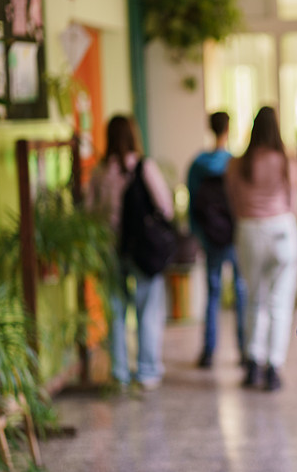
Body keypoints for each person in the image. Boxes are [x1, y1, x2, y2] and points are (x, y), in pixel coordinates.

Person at [86, 115, 174, 390]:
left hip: (110, 249)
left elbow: (88, 213)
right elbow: (166, 207)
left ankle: (120, 371)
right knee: (148, 309)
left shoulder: (100, 172)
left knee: (115, 311)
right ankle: (147, 371)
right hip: (142, 249)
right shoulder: (144, 167)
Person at [226, 106, 297, 391]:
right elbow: (294, 200)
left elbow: (233, 201)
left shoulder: (239, 162)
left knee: (255, 298)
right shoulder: (285, 159)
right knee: (279, 302)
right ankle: (273, 367)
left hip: (249, 230)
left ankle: (253, 363)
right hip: (281, 228)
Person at [187, 111, 247, 368]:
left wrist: (198, 234)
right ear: (228, 129)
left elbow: (192, 204)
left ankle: (208, 351)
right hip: (235, 236)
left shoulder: (197, 164)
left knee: (212, 292)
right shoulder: (236, 163)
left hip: (211, 237)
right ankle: (245, 351)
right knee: (241, 292)